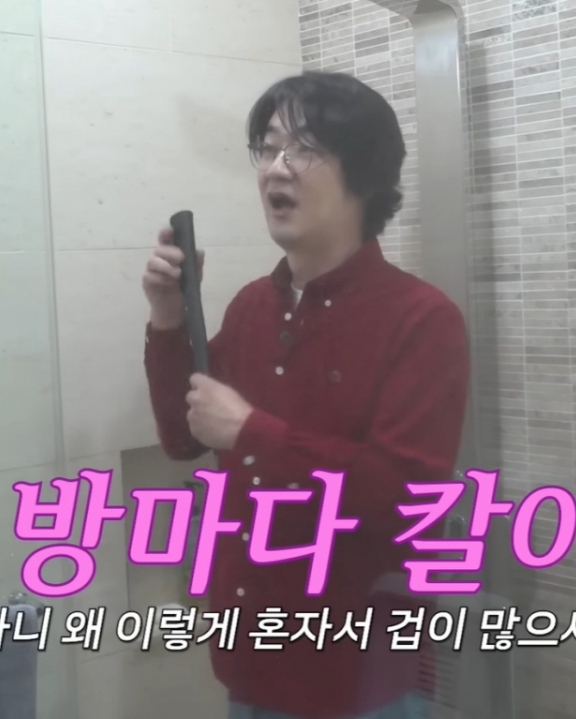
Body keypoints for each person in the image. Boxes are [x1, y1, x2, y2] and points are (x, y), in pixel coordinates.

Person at [142, 71, 470, 719]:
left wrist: (251, 432)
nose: (276, 167)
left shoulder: (422, 319)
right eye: (267, 148)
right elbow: (183, 438)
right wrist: (168, 321)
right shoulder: (250, 307)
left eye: (305, 149)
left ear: (364, 174)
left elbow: (403, 497)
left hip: (365, 676)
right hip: (251, 659)